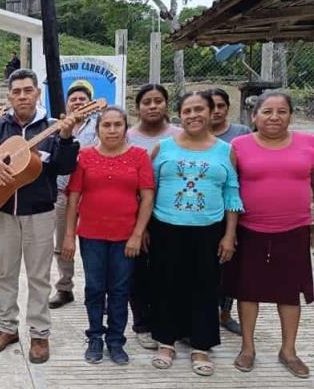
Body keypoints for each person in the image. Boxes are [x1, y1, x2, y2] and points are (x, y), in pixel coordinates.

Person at [0, 68, 79, 364]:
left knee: (39, 277)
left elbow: (64, 167)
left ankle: (39, 333)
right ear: (9, 96)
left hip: (40, 213)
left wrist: (65, 138)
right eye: (17, 91)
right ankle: (7, 328)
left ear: (38, 93)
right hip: (3, 212)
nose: (22, 96)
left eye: (28, 90)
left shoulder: (52, 127)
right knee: (6, 274)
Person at [149, 91, 243, 377]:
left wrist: (229, 235)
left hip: (209, 230)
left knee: (206, 287)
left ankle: (201, 345)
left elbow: (231, 192)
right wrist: (142, 230)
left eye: (199, 109)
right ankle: (166, 341)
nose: (193, 115)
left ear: (211, 111)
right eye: (187, 110)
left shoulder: (225, 151)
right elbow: (149, 190)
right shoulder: (162, 148)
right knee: (166, 284)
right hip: (166, 227)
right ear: (179, 114)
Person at [224, 91, 314, 379]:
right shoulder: (238, 145)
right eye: (267, 111)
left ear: (291, 115)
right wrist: (229, 231)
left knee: (289, 293)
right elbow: (230, 189)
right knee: (248, 291)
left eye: (282, 111)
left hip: (295, 229)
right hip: (249, 229)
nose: (274, 116)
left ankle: (288, 350)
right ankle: (247, 348)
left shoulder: (308, 144)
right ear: (254, 116)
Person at [61, 107, 154, 365]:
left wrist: (137, 234)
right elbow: (73, 199)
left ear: (126, 128)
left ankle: (115, 340)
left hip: (125, 236)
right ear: (98, 129)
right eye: (106, 125)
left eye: (117, 125)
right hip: (91, 236)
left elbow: (147, 198)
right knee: (94, 288)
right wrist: (69, 235)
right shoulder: (85, 156)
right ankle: (95, 338)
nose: (112, 130)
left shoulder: (139, 156)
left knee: (120, 290)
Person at [126, 84, 181, 350]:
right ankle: (143, 324)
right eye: (146, 101)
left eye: (158, 101)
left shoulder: (179, 136)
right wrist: (141, 225)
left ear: (166, 105)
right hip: (135, 215)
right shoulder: (125, 136)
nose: (152, 106)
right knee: (139, 272)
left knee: (170, 272)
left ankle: (169, 322)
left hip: (174, 216)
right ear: (138, 108)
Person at [204, 87, 251, 336]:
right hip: (202, 210)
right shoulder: (189, 136)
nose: (216, 111)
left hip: (233, 207)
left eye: (221, 106)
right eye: (211, 105)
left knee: (228, 263)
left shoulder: (241, 134)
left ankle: (225, 312)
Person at [50, 81, 98, 310]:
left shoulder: (101, 126)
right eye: (74, 99)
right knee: (62, 245)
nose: (78, 102)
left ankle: (97, 290)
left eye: (82, 99)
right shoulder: (58, 126)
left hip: (91, 195)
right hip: (62, 194)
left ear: (91, 103)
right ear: (67, 105)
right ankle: (64, 288)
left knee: (93, 246)